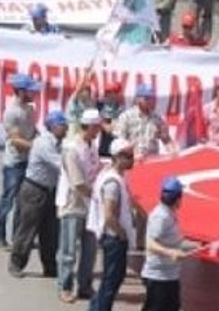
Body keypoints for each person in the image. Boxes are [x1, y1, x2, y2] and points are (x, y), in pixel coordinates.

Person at [10, 110, 68, 278]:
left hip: (51, 191)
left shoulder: (61, 143)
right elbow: (61, 164)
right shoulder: (43, 143)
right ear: (52, 126)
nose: (65, 128)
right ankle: (16, 263)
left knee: (50, 232)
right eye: (62, 125)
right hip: (35, 189)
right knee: (27, 229)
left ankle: (50, 267)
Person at [57, 108, 103, 303]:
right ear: (90, 126)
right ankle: (65, 286)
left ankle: (84, 286)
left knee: (90, 249)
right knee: (68, 251)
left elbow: (96, 167)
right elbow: (77, 183)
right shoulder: (72, 149)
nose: (99, 130)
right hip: (74, 204)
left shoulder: (91, 144)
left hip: (89, 205)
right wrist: (98, 197)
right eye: (97, 127)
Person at [87, 139, 137, 311]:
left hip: (112, 236)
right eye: (129, 156)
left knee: (111, 279)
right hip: (113, 238)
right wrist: (121, 233)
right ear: (118, 157)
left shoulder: (110, 175)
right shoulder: (112, 183)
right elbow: (109, 214)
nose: (133, 159)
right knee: (111, 281)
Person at [0, 73, 40, 249]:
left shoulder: (29, 109)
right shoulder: (11, 112)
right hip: (14, 163)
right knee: (8, 199)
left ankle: (18, 236)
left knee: (24, 202)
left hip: (28, 160)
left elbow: (32, 130)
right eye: (29, 91)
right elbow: (15, 139)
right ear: (21, 91)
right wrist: (36, 148)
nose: (33, 94)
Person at [141, 177, 195, 311]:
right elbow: (150, 244)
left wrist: (194, 246)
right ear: (177, 198)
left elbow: (173, 240)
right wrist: (170, 252)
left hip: (169, 274)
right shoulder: (161, 217)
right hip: (159, 276)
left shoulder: (169, 214)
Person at [114, 83, 171, 158]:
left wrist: (172, 150)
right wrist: (131, 152)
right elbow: (118, 142)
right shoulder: (126, 117)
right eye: (146, 98)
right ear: (137, 99)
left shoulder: (157, 119)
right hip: (132, 161)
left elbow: (166, 139)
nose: (150, 101)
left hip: (152, 161)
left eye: (151, 98)